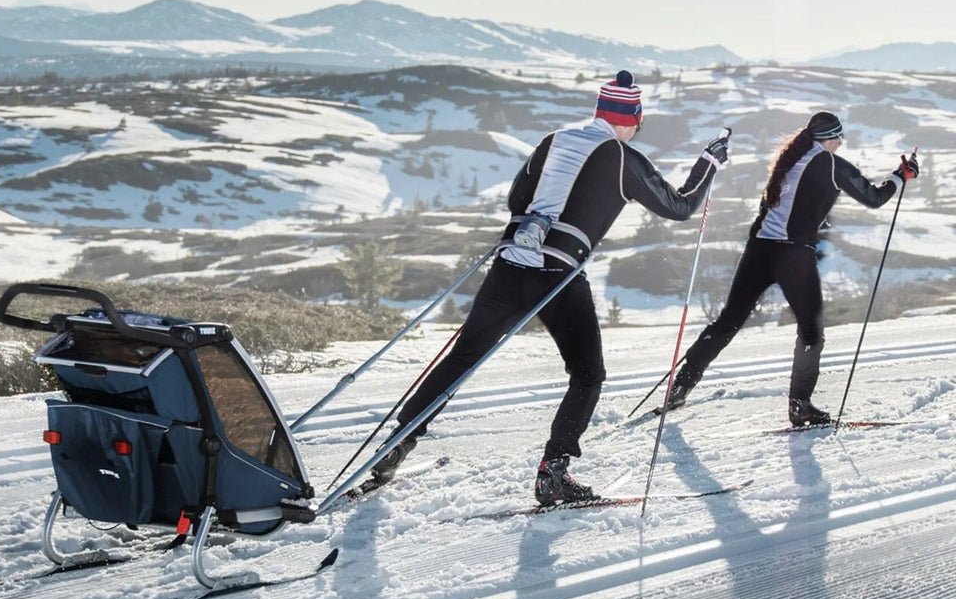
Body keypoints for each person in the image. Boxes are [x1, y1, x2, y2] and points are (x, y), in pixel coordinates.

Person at [370, 70, 731, 505]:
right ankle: (554, 472)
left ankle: (401, 441)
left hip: (509, 265)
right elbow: (679, 206)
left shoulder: (553, 139)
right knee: (587, 374)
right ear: (632, 118)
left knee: (462, 357)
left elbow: (515, 202)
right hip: (557, 275)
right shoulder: (621, 157)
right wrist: (709, 163)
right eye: (639, 122)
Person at [665, 110, 919, 427]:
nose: (841, 144)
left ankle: (680, 386)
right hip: (793, 255)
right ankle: (800, 406)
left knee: (728, 321)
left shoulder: (790, 159)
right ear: (831, 138)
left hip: (759, 249)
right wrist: (901, 175)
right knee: (811, 330)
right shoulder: (827, 162)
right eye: (840, 138)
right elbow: (873, 197)